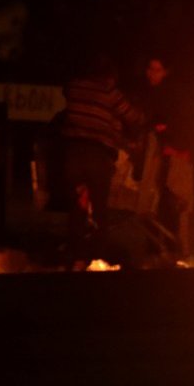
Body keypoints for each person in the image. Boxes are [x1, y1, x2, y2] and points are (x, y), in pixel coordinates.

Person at [58, 52, 145, 268]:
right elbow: (132, 116)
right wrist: (143, 125)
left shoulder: (74, 86)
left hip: (73, 153)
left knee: (78, 203)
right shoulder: (109, 91)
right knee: (99, 206)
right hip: (98, 155)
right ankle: (97, 255)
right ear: (109, 75)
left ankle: (76, 254)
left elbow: (67, 93)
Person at [131, 56, 194, 259]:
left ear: (166, 72)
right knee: (157, 205)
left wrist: (170, 141)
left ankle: (178, 251)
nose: (150, 73)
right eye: (149, 68)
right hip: (163, 157)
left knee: (177, 204)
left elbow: (180, 124)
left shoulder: (172, 94)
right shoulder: (155, 93)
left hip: (176, 156)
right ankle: (160, 250)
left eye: (156, 69)